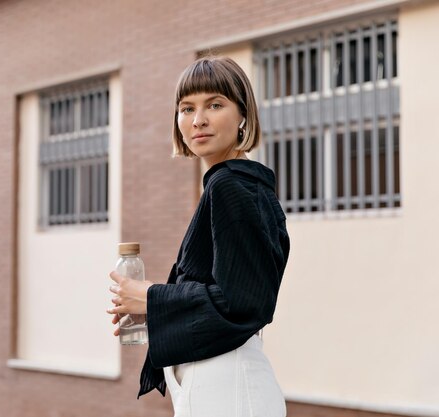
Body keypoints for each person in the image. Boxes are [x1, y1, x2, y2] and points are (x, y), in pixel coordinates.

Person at [106, 56, 291, 417]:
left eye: (215, 104)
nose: (198, 120)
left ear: (243, 117)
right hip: (221, 387)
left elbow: (242, 303)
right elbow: (232, 290)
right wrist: (153, 306)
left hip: (228, 391)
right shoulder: (236, 186)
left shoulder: (230, 186)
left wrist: (153, 297)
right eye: (186, 108)